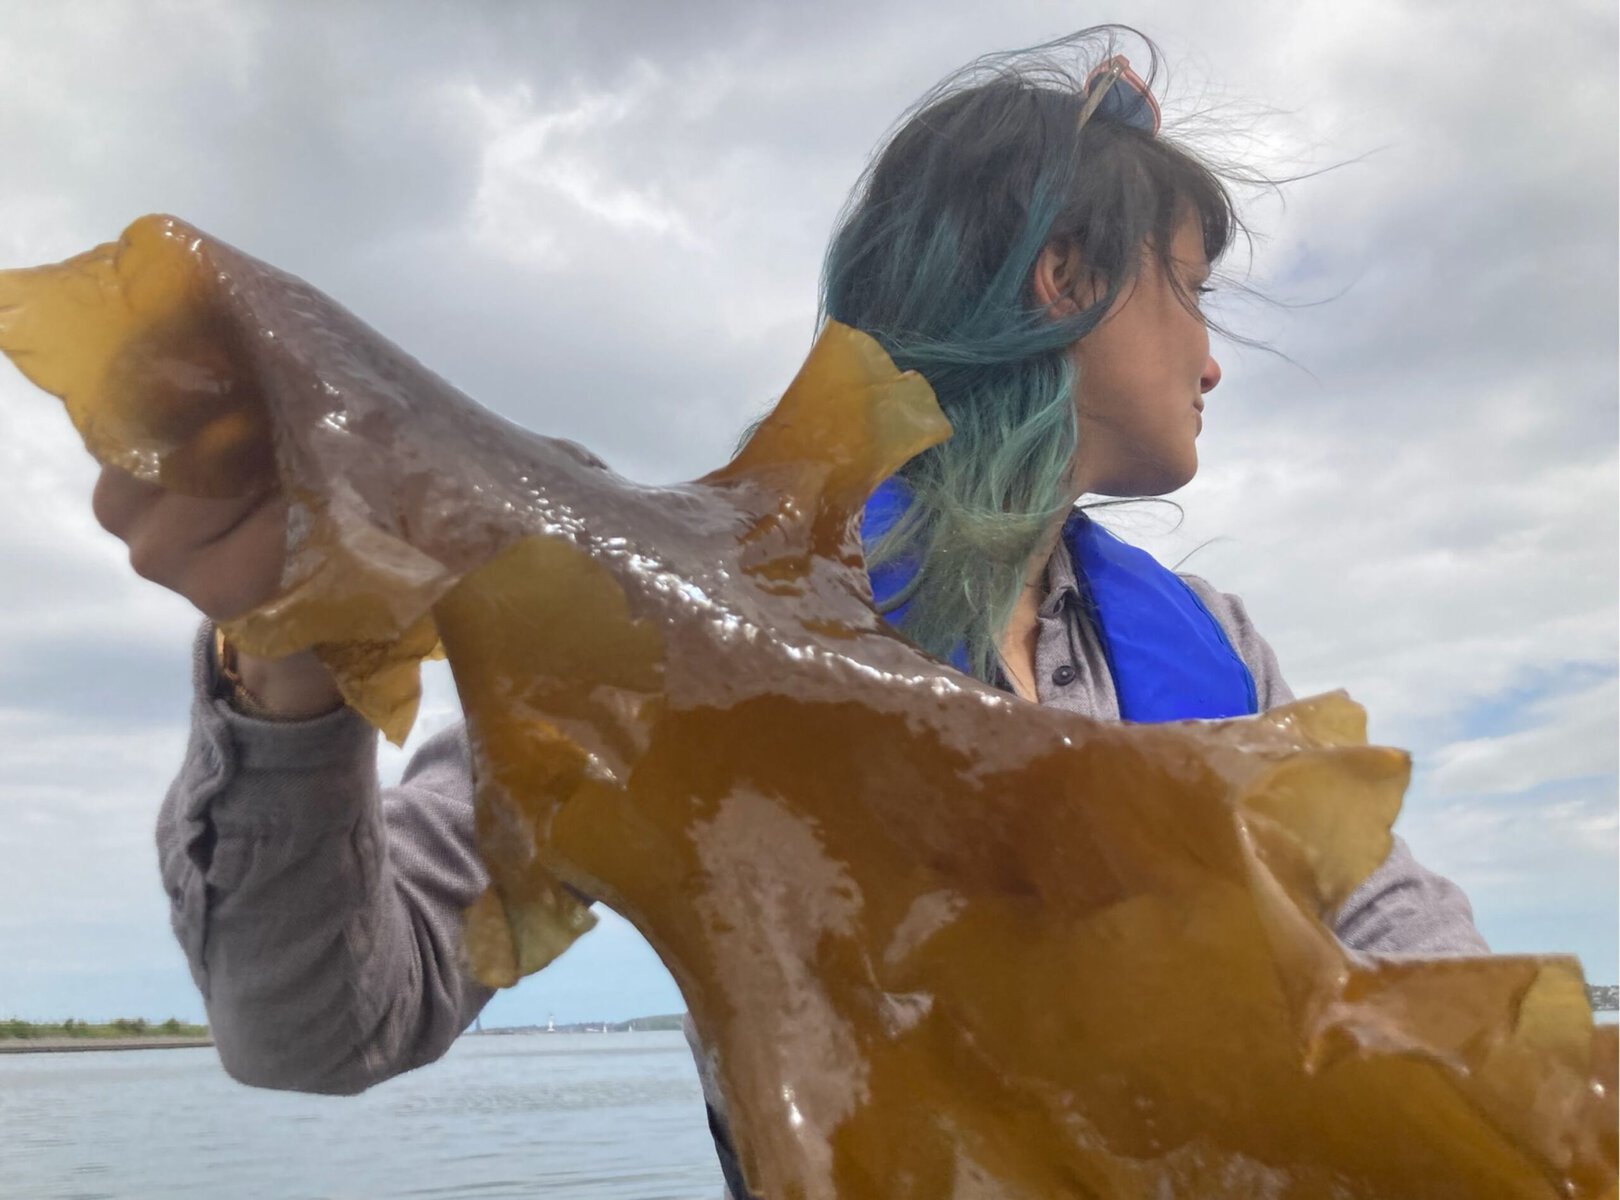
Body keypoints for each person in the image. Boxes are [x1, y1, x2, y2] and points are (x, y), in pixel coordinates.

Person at [93, 28, 1486, 1199]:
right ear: (1066, 276)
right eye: (1188, 287)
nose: (1210, 359)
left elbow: (1411, 950)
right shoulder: (690, 636)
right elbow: (317, 1027)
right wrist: (286, 659)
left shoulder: (1217, 651)